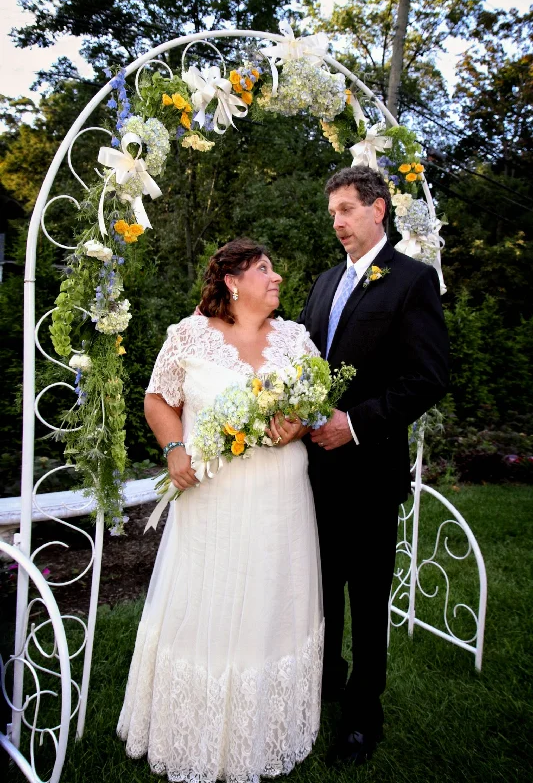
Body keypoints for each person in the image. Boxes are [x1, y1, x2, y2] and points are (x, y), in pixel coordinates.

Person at [117, 238, 324, 783]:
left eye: (274, 269)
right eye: (264, 269)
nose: (276, 277)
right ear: (233, 281)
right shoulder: (188, 337)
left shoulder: (297, 339)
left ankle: (268, 726)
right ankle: (193, 726)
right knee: (209, 598)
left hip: (281, 498)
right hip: (213, 501)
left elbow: (313, 405)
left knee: (272, 598)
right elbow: (158, 400)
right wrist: (174, 449)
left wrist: (298, 424)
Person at [300, 166, 449, 766]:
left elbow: (429, 377)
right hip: (310, 470)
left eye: (346, 210)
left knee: (366, 595)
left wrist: (355, 423)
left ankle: (364, 714)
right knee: (319, 587)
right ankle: (326, 681)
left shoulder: (413, 280)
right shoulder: (324, 281)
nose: (337, 222)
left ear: (378, 209)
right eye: (332, 211)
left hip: (369, 470)